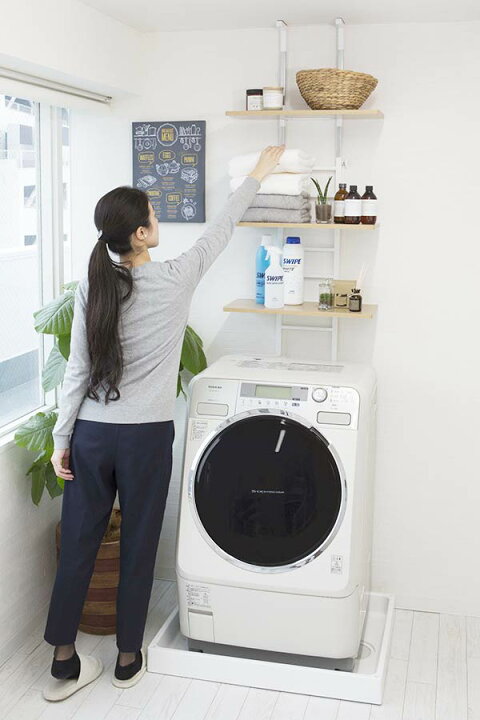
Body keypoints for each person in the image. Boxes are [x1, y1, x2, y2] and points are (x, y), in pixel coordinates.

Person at [41, 144, 286, 701]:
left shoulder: (92, 286)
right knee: (139, 541)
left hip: (91, 434)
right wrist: (257, 173)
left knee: (78, 542)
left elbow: (76, 370)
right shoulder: (177, 277)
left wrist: (61, 439)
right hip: (146, 438)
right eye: (152, 214)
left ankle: (62, 658)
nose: (157, 219)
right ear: (141, 235)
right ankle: (128, 656)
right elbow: (222, 228)